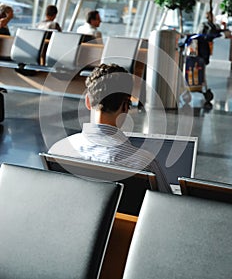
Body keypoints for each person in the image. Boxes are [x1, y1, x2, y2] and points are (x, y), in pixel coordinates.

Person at [49, 63, 171, 193]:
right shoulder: (144, 163)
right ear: (125, 106)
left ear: (88, 102)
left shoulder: (58, 151)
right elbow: (167, 206)